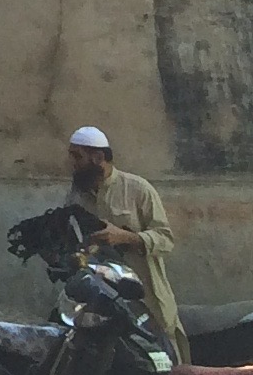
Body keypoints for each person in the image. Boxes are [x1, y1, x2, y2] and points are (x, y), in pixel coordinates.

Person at [64, 124, 186, 360]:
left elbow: (166, 239)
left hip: (148, 299)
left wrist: (126, 237)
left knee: (167, 365)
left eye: (77, 156)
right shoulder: (76, 196)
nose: (72, 163)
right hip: (102, 303)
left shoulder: (138, 190)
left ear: (98, 157)